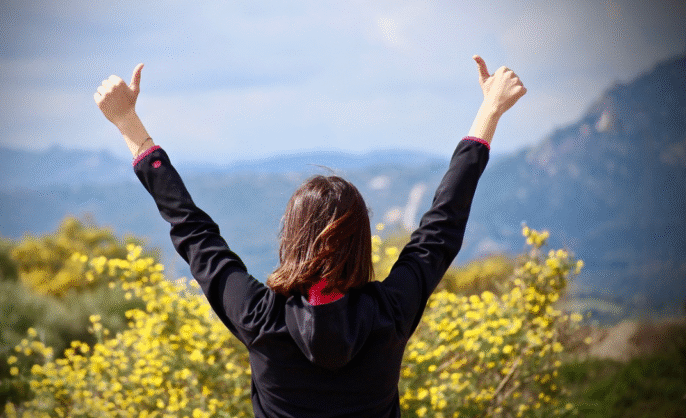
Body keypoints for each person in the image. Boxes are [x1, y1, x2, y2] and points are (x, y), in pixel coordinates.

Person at [94, 55, 526, 417]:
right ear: (362, 241)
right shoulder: (389, 313)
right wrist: (489, 112)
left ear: (291, 238)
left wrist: (128, 122)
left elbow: (191, 229)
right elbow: (443, 225)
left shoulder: (259, 317)